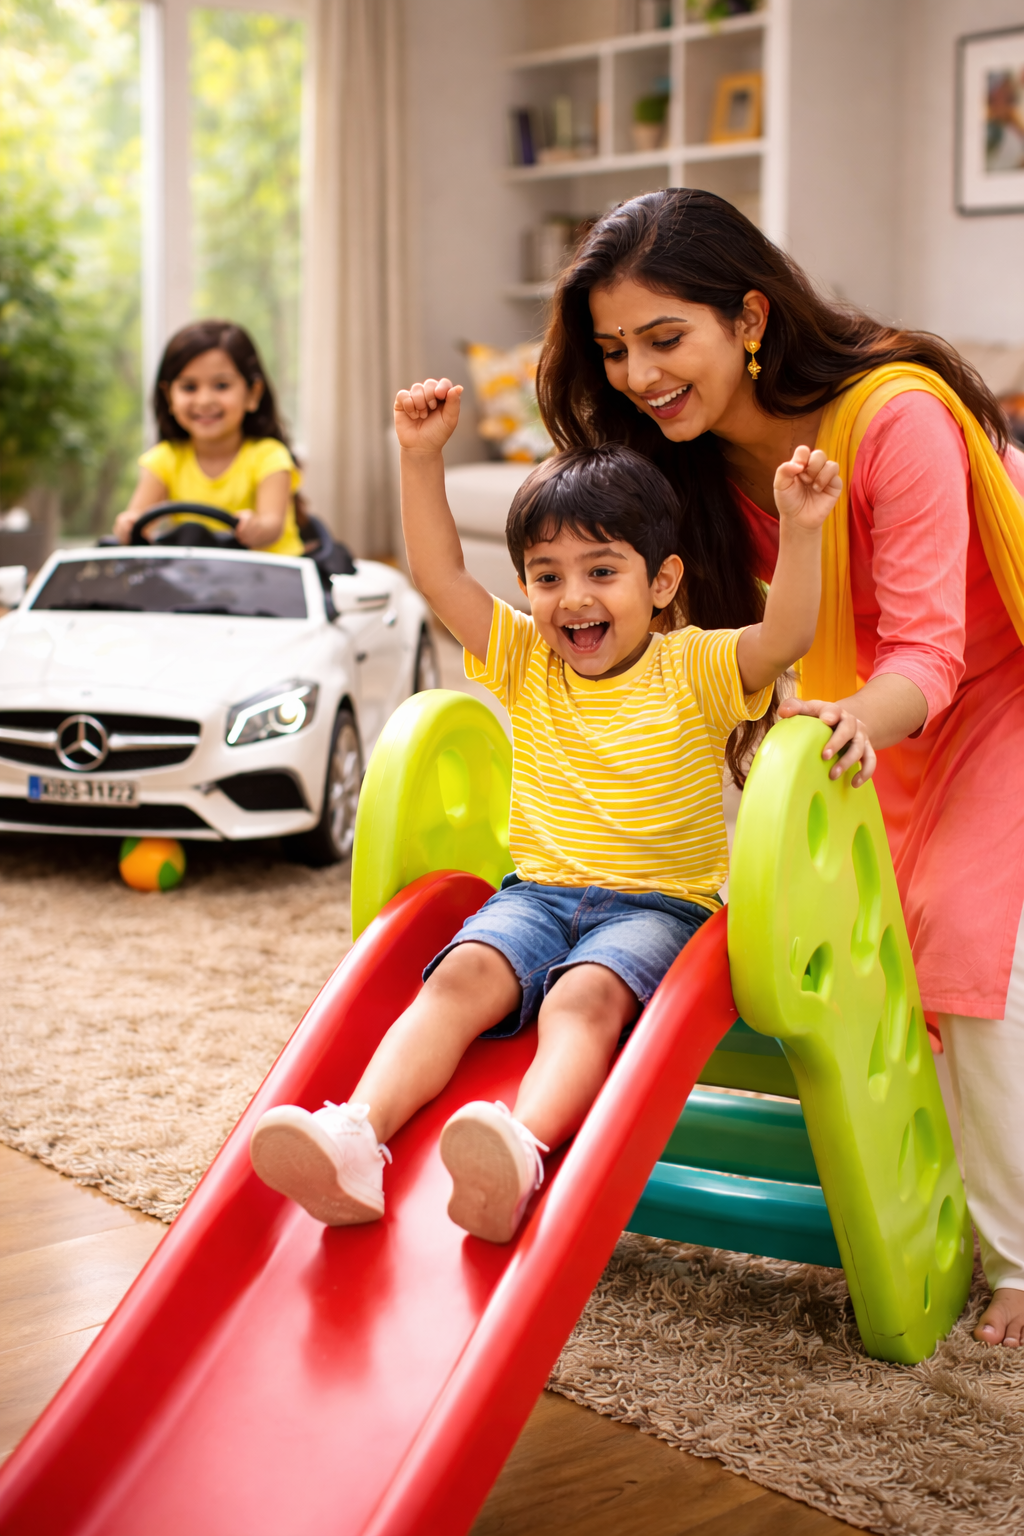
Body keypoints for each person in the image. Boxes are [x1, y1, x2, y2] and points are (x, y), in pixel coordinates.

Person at [537, 187, 1024, 1345]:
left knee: (963, 937)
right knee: (847, 949)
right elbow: (700, 661)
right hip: (866, 706)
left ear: (748, 316)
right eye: (614, 351)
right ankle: (916, 1208)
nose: (641, 375)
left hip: (991, 676)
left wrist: (843, 715)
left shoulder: (888, 417)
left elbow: (929, 647)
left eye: (667, 338)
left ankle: (1014, 1254)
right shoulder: (685, 465)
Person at [248, 377, 853, 1244]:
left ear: (661, 581)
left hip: (659, 906)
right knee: (457, 980)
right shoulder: (527, 659)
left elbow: (786, 635)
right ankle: (356, 1135)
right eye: (546, 575)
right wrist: (421, 458)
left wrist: (800, 530)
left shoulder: (696, 666)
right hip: (534, 893)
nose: (572, 598)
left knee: (583, 999)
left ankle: (520, 1150)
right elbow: (440, 574)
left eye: (602, 572)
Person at [112, 319, 304, 555]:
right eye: (189, 388)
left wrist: (257, 528)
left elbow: (272, 526)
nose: (204, 401)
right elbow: (138, 523)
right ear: (169, 396)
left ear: (253, 394)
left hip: (271, 580)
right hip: (201, 582)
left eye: (221, 385)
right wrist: (127, 526)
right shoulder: (164, 460)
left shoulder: (270, 457)